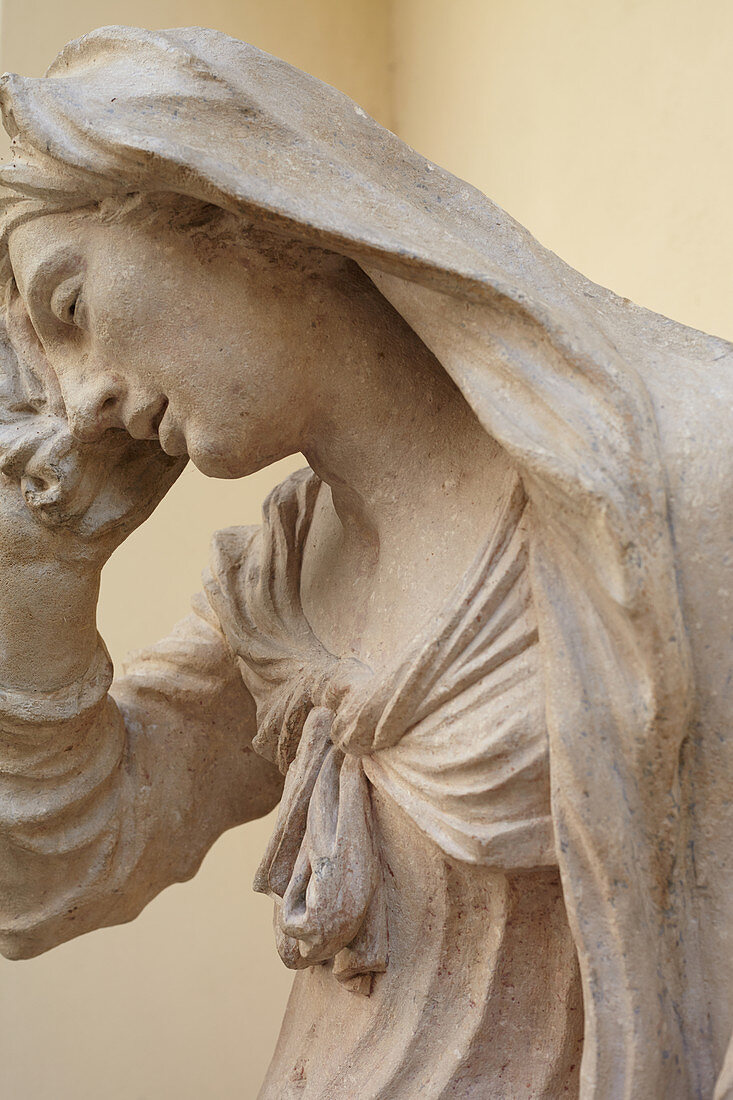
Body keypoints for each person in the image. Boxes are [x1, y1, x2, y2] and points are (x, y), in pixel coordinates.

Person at [0, 25, 730, 1100]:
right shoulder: (283, 581)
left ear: (227, 199)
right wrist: (38, 575)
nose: (79, 401)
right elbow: (54, 876)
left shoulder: (672, 473)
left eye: (72, 307)